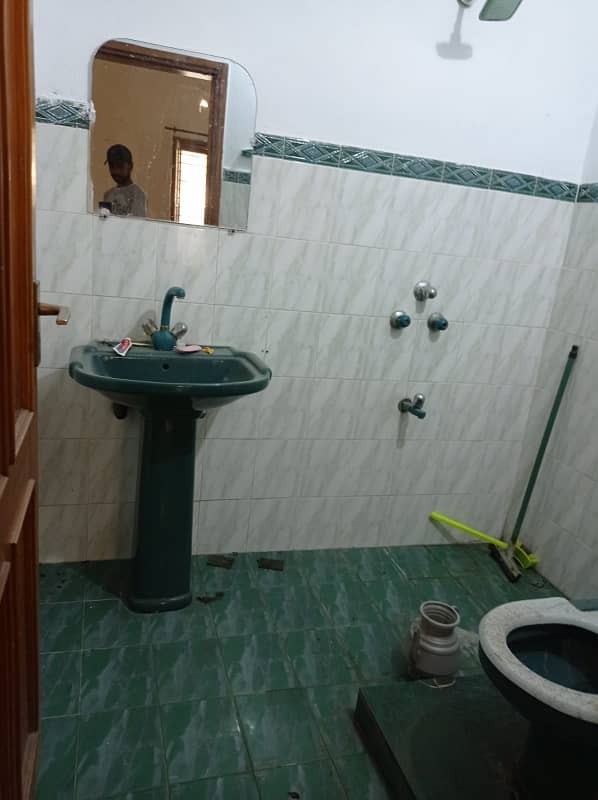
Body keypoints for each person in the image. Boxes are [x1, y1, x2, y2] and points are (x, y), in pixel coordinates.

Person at [102, 144, 147, 217]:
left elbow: (137, 222)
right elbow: (103, 221)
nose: (115, 171)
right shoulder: (108, 195)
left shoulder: (137, 194)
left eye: (120, 166)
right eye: (111, 166)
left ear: (130, 166)